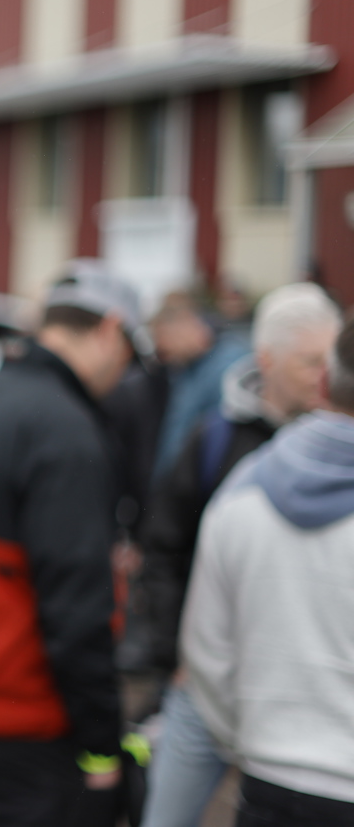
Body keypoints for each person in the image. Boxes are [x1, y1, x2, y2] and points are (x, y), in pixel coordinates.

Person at [0, 259, 139, 825]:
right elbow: (77, 607)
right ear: (111, 330)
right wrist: (104, 745)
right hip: (21, 725)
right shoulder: (66, 431)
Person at [138, 283, 342, 827]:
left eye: (331, 359)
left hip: (297, 705)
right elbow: (162, 548)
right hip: (203, 684)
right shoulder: (216, 442)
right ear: (267, 360)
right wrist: (174, 658)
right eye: (310, 361)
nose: (325, 376)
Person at [182, 316, 354, 826]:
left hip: (267, 778)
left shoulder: (245, 486)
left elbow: (206, 649)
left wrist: (249, 738)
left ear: (323, 382)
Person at [150, 292, 250, 484]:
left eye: (163, 339)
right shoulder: (188, 369)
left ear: (185, 324)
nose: (162, 353)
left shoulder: (228, 367)